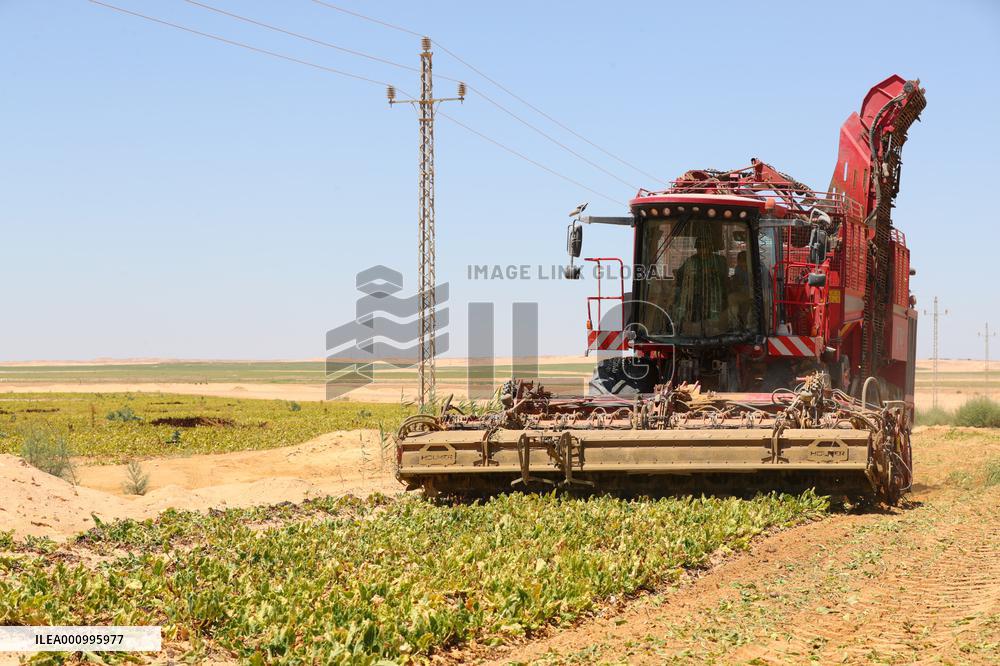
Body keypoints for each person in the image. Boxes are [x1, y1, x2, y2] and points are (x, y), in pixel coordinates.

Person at [674, 234, 729, 331]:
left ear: (710, 248)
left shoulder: (719, 260)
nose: (701, 250)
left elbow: (723, 277)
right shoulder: (691, 260)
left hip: (714, 295)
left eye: (704, 248)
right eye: (699, 248)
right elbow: (680, 275)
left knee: (713, 320)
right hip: (694, 294)